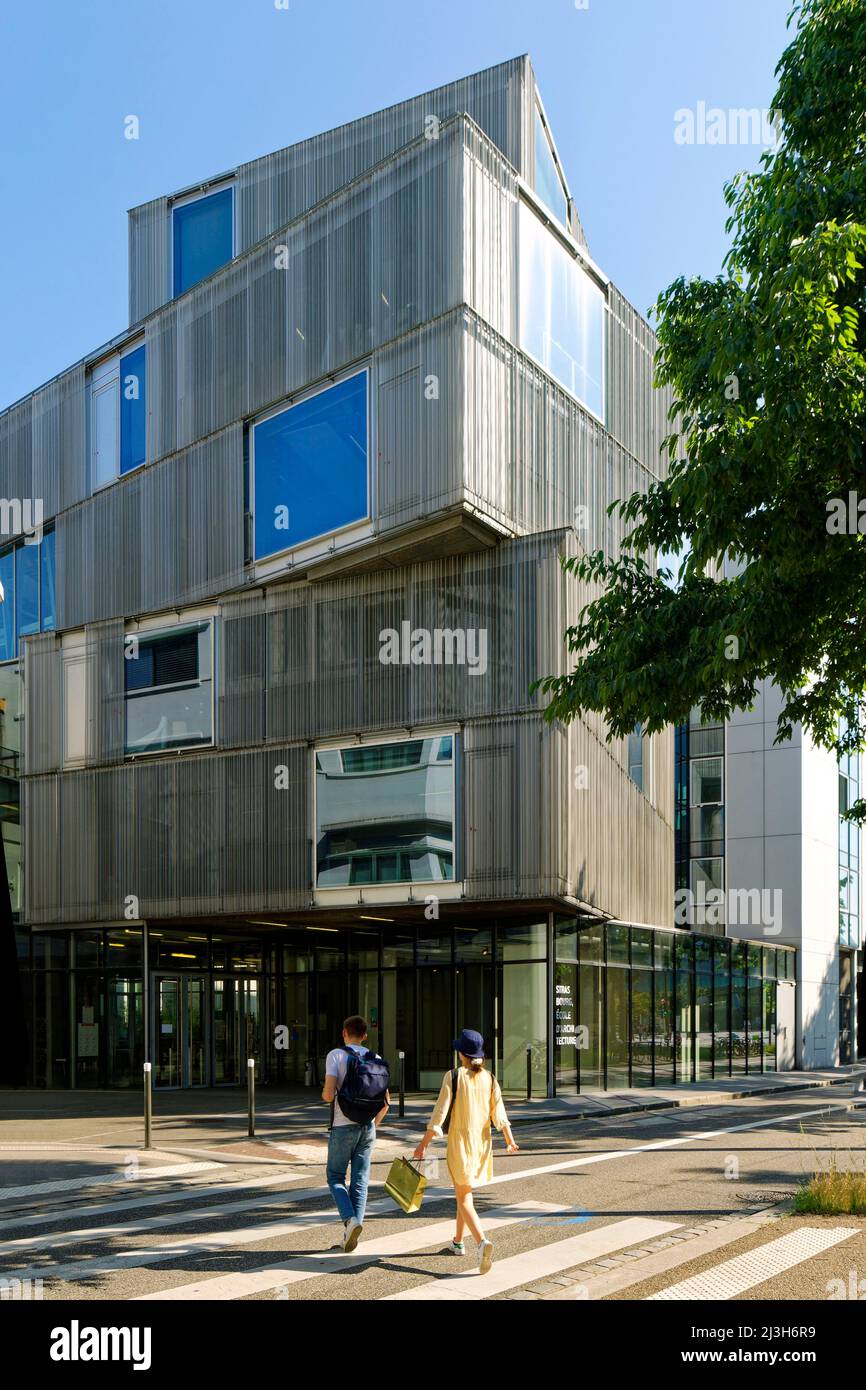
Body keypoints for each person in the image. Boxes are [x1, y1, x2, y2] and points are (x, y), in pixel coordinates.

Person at [413, 1028, 518, 1273]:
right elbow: (499, 1113)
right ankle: (458, 1242)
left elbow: (439, 1115)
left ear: (461, 1053)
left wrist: (423, 1144)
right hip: (482, 1144)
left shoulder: (453, 1076)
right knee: (464, 1191)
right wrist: (509, 1141)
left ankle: (482, 1242)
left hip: (460, 1144)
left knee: (463, 1196)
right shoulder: (490, 1078)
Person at [322, 1015, 390, 1251]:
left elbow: (329, 1095)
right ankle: (353, 1231)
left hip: (342, 1126)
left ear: (344, 1033)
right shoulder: (376, 1058)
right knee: (360, 1180)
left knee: (335, 1176)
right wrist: (372, 1125)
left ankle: (350, 1222)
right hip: (368, 1127)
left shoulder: (336, 1055)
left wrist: (327, 1094)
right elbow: (386, 1101)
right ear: (365, 1035)